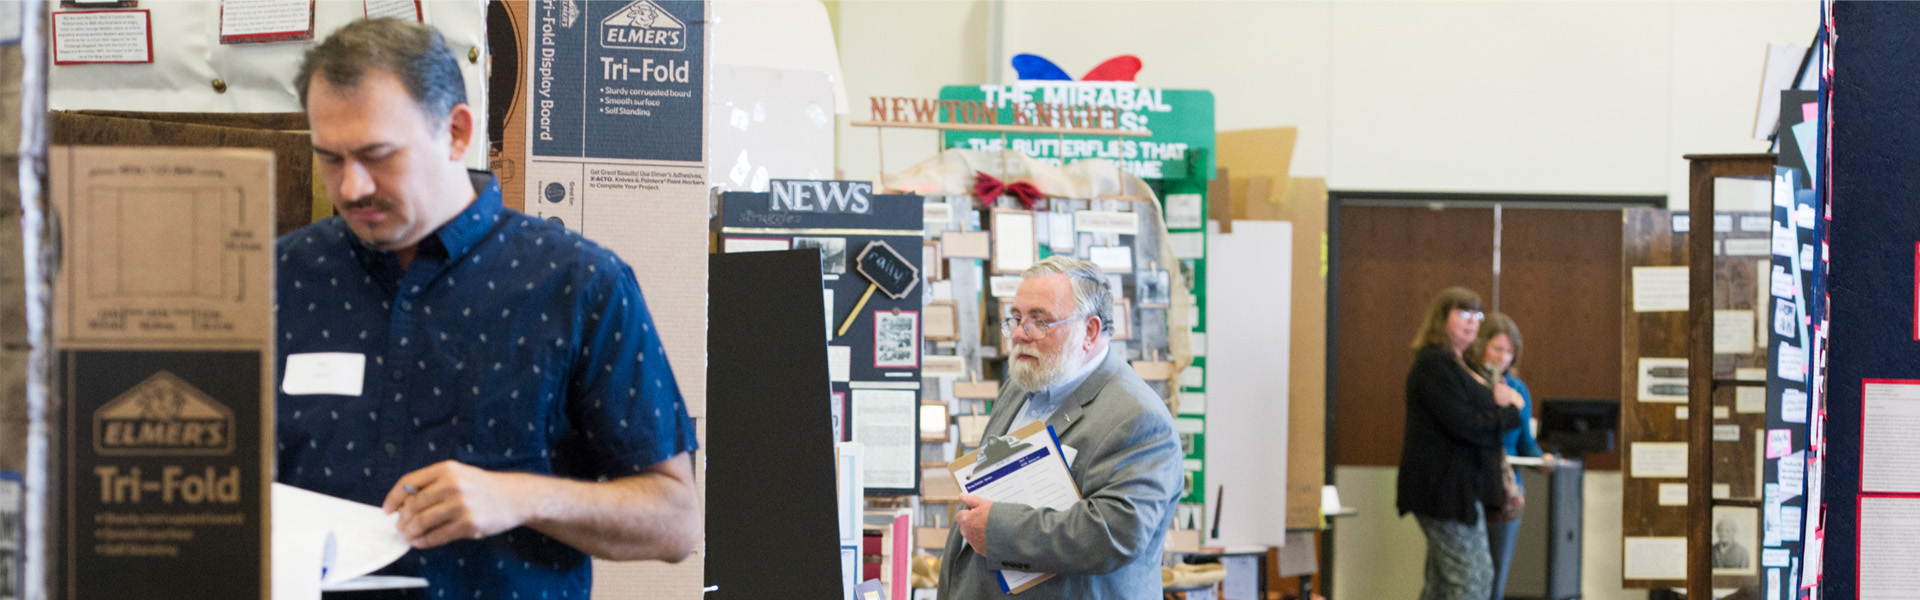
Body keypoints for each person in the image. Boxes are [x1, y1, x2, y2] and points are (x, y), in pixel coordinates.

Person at [275, 19, 700, 598]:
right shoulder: (279, 278)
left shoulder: (579, 283)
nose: (350, 188)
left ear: (455, 132)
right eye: (330, 159)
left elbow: (675, 521)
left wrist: (522, 496)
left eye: (377, 156)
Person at [938, 256, 1183, 600]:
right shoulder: (1022, 385)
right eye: (1017, 318)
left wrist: (997, 530)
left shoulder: (1139, 418)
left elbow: (1114, 533)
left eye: (1040, 321)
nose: (1021, 334)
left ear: (1090, 331)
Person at [1398, 287, 1523, 600]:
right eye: (1463, 313)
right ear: (1442, 319)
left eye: (1477, 315)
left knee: (1443, 586)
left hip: (1461, 492)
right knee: (1471, 582)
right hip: (1443, 492)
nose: (1472, 322)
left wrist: (1500, 402)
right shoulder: (1433, 365)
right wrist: (1508, 411)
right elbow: (1467, 425)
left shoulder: (1461, 366)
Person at [1465, 313, 1554, 600]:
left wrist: (1543, 459)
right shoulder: (1468, 380)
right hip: (1471, 486)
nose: (1503, 357)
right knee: (1467, 575)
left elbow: (1527, 443)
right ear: (1481, 347)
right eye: (1497, 348)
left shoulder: (1518, 389)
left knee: (1496, 576)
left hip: (1506, 492)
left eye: (1509, 351)